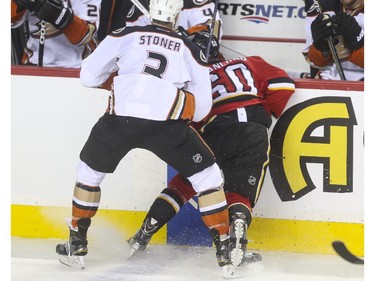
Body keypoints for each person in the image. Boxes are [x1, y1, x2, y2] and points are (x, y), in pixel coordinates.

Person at [54, 0, 242, 276]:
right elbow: (203, 108)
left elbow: (88, 76)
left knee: (89, 173)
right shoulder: (190, 49)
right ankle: (225, 249)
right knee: (208, 178)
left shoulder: (124, 35)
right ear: (178, 14)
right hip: (166, 126)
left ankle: (76, 243)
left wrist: (123, 82)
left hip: (119, 122)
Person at [127, 29, 296, 265]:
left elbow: (187, 117)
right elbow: (285, 85)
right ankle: (237, 235)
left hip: (215, 129)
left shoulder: (191, 77)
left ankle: (144, 233)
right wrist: (267, 113)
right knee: (240, 191)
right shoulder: (249, 62)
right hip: (254, 129)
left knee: (185, 183)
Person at [11, 0, 101, 67]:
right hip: (34, 64)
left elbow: (89, 36)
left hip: (77, 67)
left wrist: (57, 14)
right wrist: (18, 4)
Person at [97, 0, 223, 42]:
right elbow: (111, 41)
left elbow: (211, 35)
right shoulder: (120, 3)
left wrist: (180, 38)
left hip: (185, 73)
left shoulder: (196, 2)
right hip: (139, 77)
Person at [302, 0, 364, 81]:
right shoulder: (321, 6)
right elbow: (315, 62)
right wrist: (322, 48)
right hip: (329, 79)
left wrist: (358, 41)